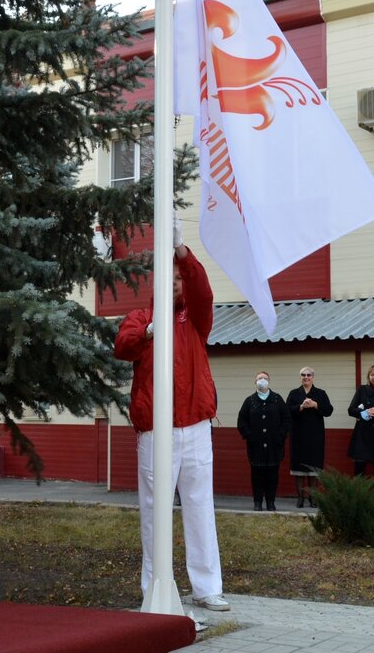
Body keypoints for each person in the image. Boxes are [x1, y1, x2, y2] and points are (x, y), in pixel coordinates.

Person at [114, 215, 228, 612]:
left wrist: (182, 248)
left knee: (200, 507)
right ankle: (155, 586)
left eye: (180, 277)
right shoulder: (142, 319)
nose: (177, 282)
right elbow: (123, 345)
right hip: (155, 433)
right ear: (158, 282)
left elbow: (204, 292)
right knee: (154, 512)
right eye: (171, 277)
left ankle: (207, 587)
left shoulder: (196, 320)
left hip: (195, 427)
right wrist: (148, 332)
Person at [237, 371, 290, 511]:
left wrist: (280, 435)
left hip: (274, 445)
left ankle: (271, 502)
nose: (262, 380)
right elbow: (242, 421)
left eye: (265, 378)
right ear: (255, 382)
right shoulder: (249, 401)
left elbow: (287, 419)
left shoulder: (277, 399)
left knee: (273, 474)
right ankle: (258, 502)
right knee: (257, 475)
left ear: (269, 381)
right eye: (259, 378)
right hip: (256, 446)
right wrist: (249, 436)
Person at [286, 366, 333, 508]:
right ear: (300, 377)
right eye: (303, 375)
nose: (306, 377)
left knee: (313, 469)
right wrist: (300, 407)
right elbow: (287, 410)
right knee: (299, 469)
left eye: (308, 375)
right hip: (298, 436)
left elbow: (329, 410)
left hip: (315, 437)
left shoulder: (320, 393)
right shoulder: (294, 393)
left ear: (313, 377)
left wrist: (315, 404)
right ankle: (300, 498)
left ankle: (313, 498)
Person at [346, 365, 374, 483]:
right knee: (359, 468)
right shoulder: (362, 390)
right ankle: (358, 498)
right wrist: (364, 412)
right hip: (362, 435)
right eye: (372, 375)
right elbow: (351, 410)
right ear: (368, 377)